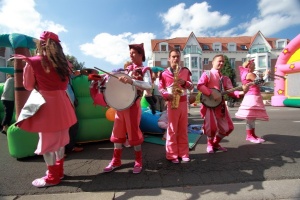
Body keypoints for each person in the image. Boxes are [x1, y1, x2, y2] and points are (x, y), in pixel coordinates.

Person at [14, 31, 77, 187]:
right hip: (63, 106)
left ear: (41, 44)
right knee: (61, 141)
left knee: (47, 144)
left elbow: (28, 85)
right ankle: (59, 172)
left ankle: (52, 177)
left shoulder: (33, 62)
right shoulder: (66, 64)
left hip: (46, 107)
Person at [103, 43, 152, 174]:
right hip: (121, 106)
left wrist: (132, 81)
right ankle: (116, 160)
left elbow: (148, 85)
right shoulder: (127, 69)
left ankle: (138, 161)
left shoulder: (145, 69)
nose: (130, 55)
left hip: (133, 106)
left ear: (141, 54)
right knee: (117, 133)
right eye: (130, 53)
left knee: (134, 134)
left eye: (133, 53)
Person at [197, 54, 246, 153]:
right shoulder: (207, 74)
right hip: (209, 105)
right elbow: (200, 85)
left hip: (221, 106)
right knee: (211, 127)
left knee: (228, 127)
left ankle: (215, 143)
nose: (222, 63)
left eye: (223, 61)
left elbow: (231, 92)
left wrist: (242, 92)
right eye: (219, 61)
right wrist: (211, 93)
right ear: (213, 62)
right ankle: (210, 144)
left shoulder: (225, 79)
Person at [159, 49, 194, 163]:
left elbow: (191, 85)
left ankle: (184, 153)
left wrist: (184, 83)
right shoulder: (164, 73)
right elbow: (161, 88)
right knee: (172, 129)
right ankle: (172, 155)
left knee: (183, 129)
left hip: (183, 102)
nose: (176, 59)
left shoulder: (185, 71)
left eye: (177, 57)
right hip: (172, 102)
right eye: (173, 57)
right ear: (169, 59)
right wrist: (165, 94)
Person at [235, 59, 269, 143]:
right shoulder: (249, 74)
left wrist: (261, 76)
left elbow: (258, 82)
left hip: (252, 96)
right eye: (253, 65)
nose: (255, 67)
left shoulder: (245, 74)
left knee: (252, 118)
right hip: (252, 97)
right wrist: (266, 75)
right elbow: (261, 83)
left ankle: (252, 135)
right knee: (250, 118)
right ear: (249, 66)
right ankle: (250, 135)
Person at [64, 61, 83, 155]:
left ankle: (70, 146)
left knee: (73, 126)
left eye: (72, 67)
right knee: (69, 126)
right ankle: (65, 149)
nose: (71, 69)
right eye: (70, 68)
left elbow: (73, 75)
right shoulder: (61, 76)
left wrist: (78, 73)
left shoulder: (68, 77)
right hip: (64, 105)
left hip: (70, 104)